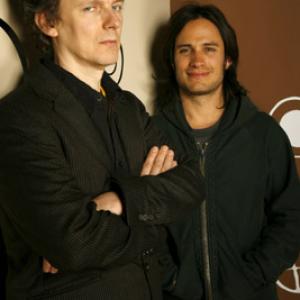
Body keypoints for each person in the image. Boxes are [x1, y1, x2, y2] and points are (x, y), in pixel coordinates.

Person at [0, 1, 205, 299]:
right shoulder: (18, 118)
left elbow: (192, 181)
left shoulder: (130, 108)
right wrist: (152, 209)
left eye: (117, 6)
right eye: (91, 8)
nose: (113, 22)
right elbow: (74, 244)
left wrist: (120, 200)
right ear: (47, 23)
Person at [153, 4, 300, 300]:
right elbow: (143, 221)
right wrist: (172, 281)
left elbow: (291, 218)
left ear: (228, 59)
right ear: (172, 60)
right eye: (185, 50)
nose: (197, 60)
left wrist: (252, 276)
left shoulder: (263, 134)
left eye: (209, 49)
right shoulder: (151, 136)